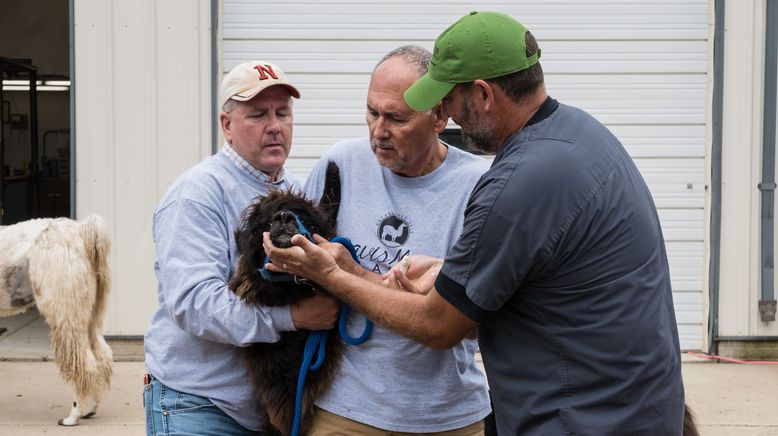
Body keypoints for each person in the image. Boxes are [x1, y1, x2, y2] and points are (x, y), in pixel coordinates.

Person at [264, 11, 687, 436]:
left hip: (581, 417)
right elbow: (544, 269)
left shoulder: (516, 184)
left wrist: (332, 274)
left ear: (483, 94)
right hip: (633, 406)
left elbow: (440, 325)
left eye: (450, 100)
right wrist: (447, 271)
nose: (448, 112)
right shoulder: (581, 135)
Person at [302, 45, 491, 435]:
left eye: (396, 118)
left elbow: (475, 323)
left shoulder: (479, 186)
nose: (378, 131)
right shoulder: (341, 164)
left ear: (439, 115)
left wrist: (353, 274)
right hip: (344, 412)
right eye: (372, 112)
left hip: (447, 417)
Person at [143, 61, 340, 436]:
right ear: (227, 126)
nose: (274, 126)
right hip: (200, 404)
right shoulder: (198, 194)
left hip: (272, 411)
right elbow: (194, 302)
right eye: (258, 114)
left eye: (283, 113)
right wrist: (293, 318)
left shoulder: (300, 192)